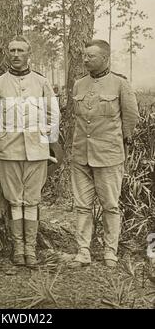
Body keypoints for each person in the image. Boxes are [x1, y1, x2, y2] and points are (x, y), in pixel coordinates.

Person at [0, 36, 60, 268]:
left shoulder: (41, 82)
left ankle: (31, 249)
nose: (16, 54)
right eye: (12, 50)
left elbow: (53, 114)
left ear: (29, 53)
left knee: (32, 200)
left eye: (21, 50)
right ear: (7, 53)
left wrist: (44, 138)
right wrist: (1, 135)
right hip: (9, 152)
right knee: (15, 201)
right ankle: (18, 249)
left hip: (37, 152)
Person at [70, 39, 139, 268]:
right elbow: (79, 119)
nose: (86, 59)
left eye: (91, 56)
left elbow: (131, 118)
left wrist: (118, 144)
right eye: (85, 55)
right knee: (82, 206)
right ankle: (83, 251)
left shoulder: (120, 84)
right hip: (81, 155)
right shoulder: (79, 84)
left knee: (110, 205)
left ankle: (111, 251)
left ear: (105, 58)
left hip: (109, 157)